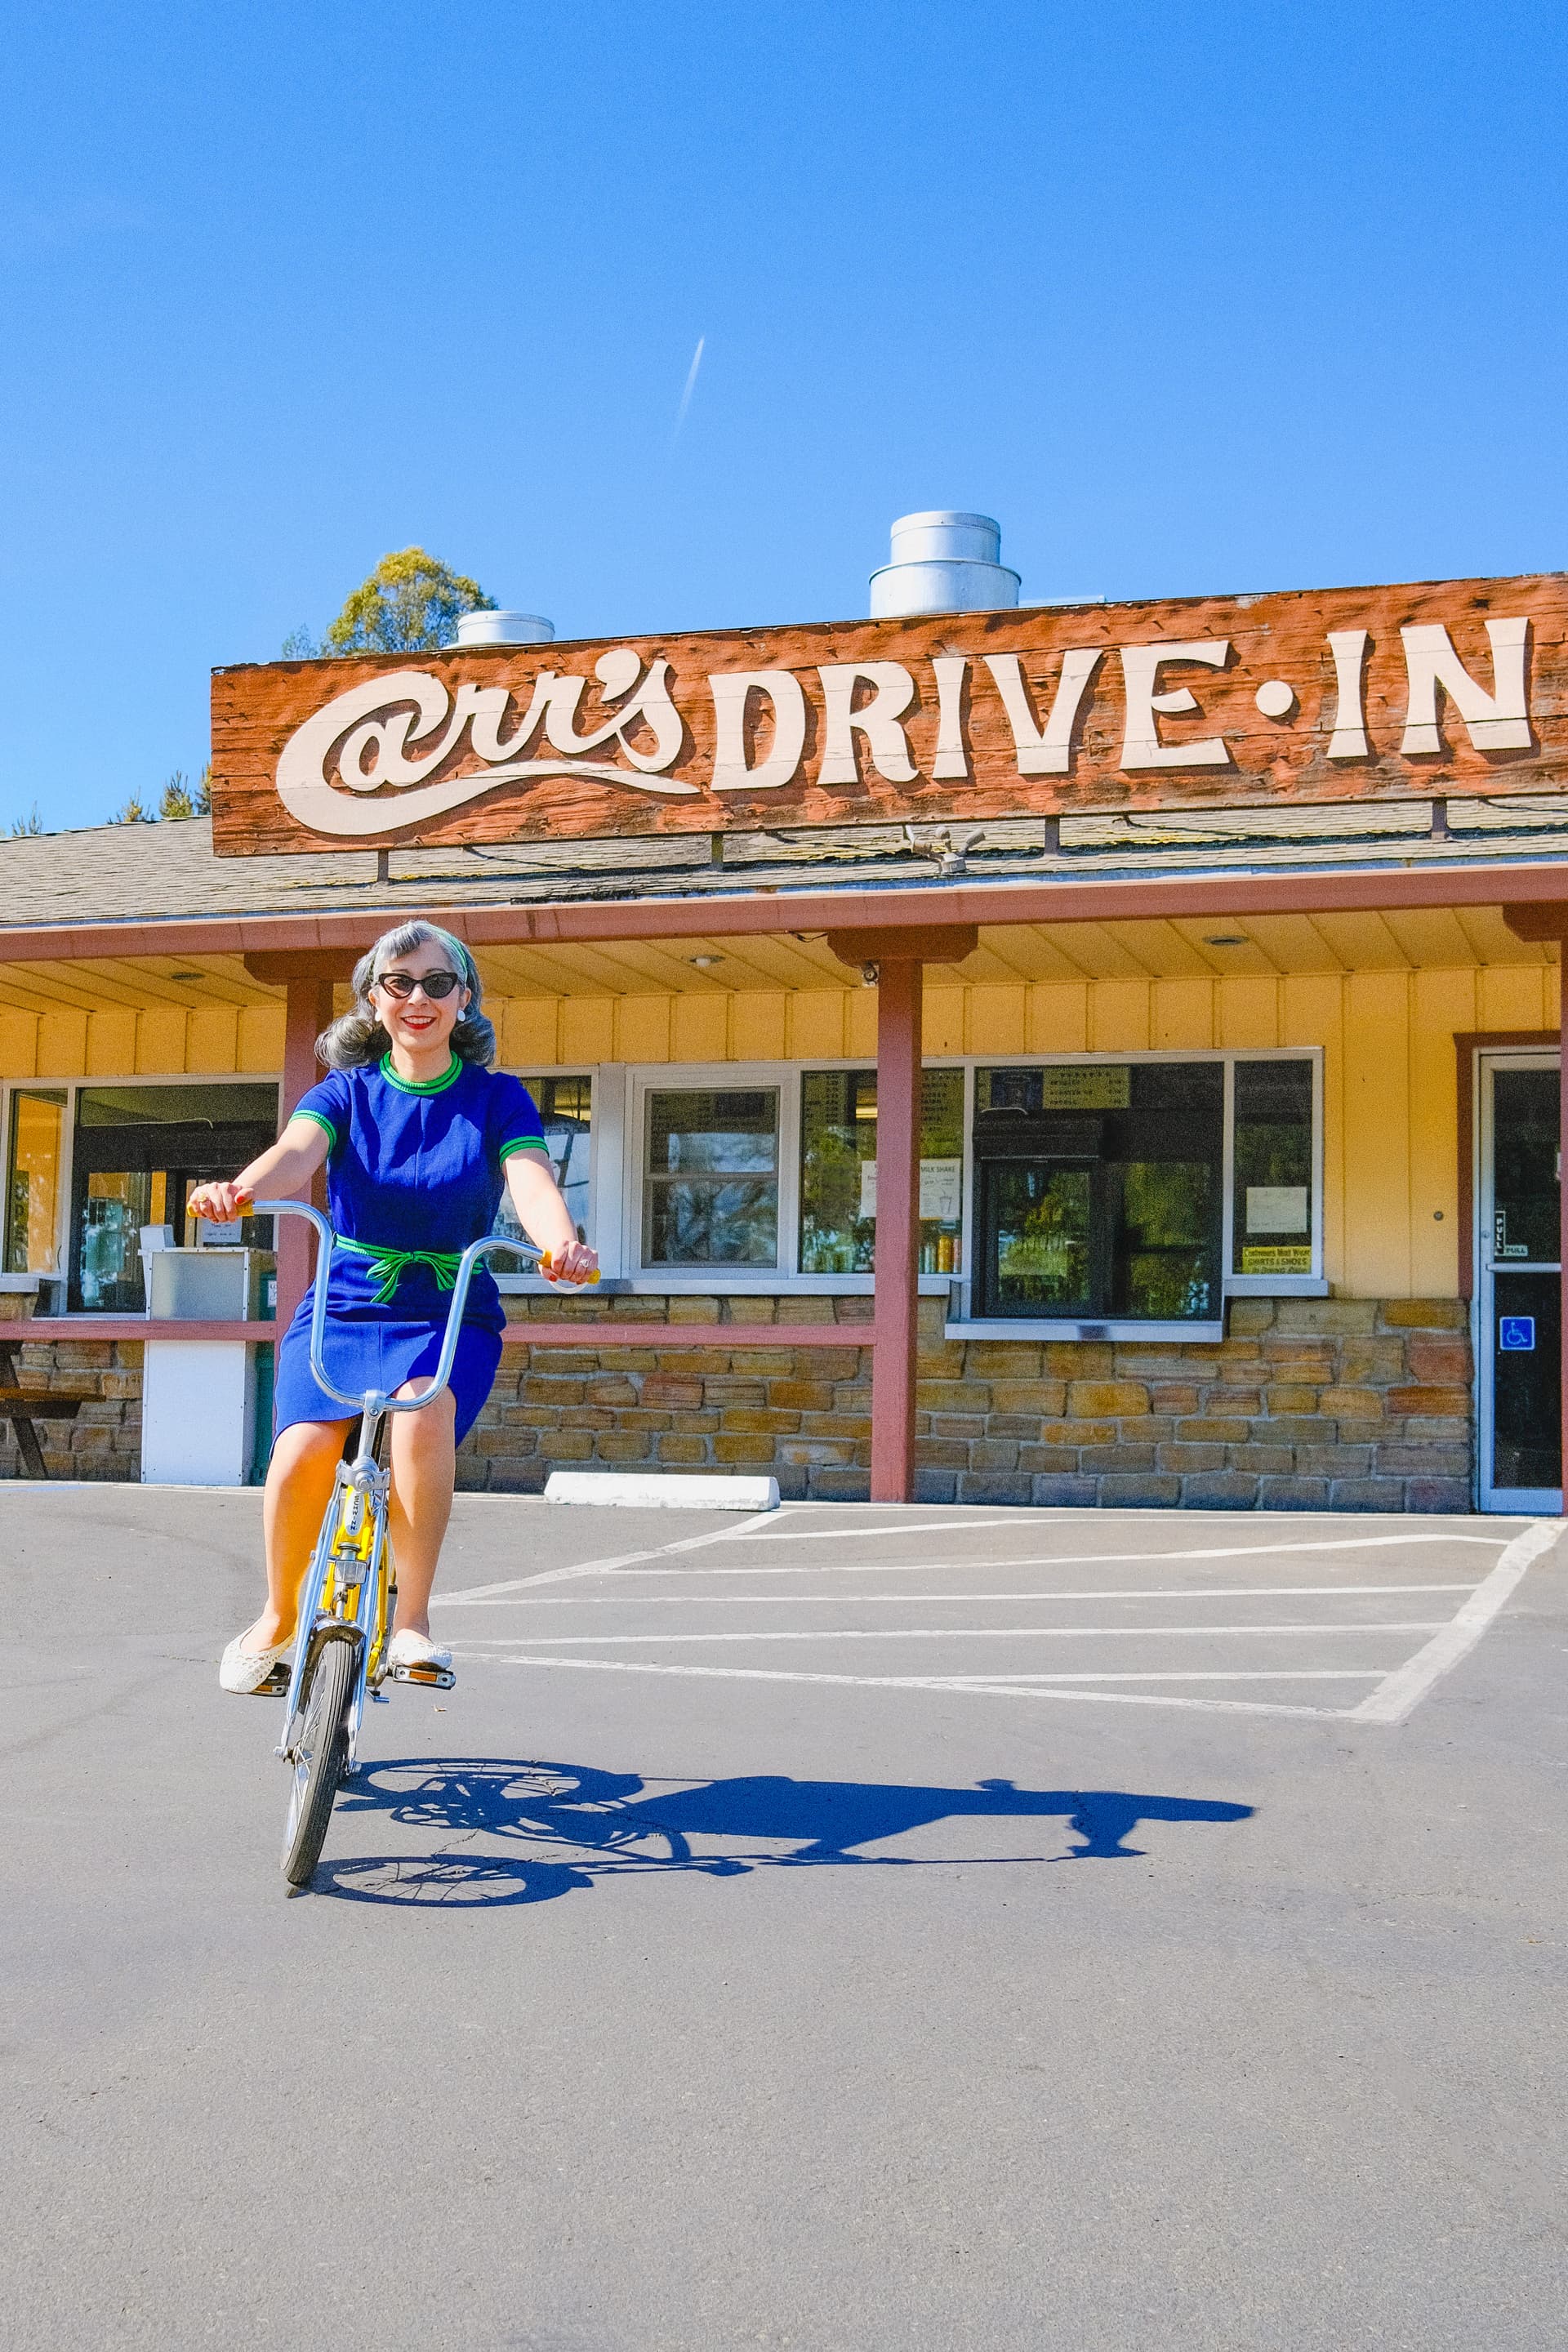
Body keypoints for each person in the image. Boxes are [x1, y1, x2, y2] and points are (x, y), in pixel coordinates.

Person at [190, 919, 597, 1694]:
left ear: (464, 999)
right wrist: (240, 1192)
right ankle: (278, 1617)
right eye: (400, 983)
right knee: (303, 1450)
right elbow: (295, 1156)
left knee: (421, 1412)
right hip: (348, 1304)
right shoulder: (344, 1092)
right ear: (374, 1000)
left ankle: (413, 1620)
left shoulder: (497, 1099)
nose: (419, 998)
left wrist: (561, 1244)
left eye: (438, 983)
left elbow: (531, 1179)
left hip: (449, 1312)